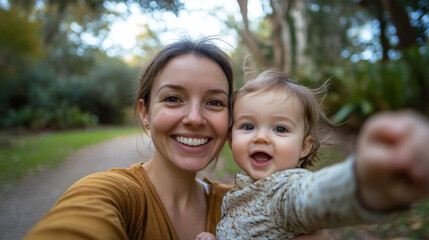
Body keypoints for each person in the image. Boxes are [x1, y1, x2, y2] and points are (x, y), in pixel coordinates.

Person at [24, 38, 332, 240]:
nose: (195, 118)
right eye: (173, 98)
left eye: (214, 102)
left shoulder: (250, 204)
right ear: (145, 113)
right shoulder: (110, 193)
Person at [196, 70, 429, 240]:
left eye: (280, 129)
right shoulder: (241, 192)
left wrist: (367, 182)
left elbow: (315, 197)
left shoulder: (282, 192)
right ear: (230, 138)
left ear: (305, 146)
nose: (261, 137)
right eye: (248, 127)